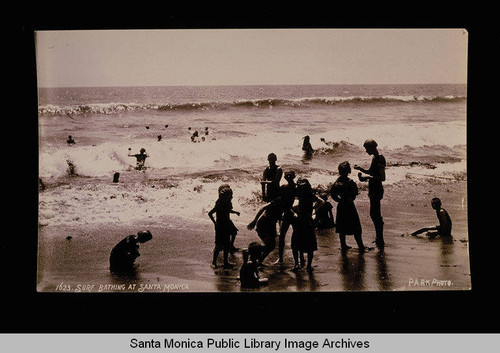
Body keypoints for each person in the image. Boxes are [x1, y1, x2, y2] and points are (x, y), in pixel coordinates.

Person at [354, 139, 386, 249]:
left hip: (377, 189)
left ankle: (380, 239)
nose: (366, 151)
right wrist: (361, 170)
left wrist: (367, 178)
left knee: (375, 215)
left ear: (373, 147)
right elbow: (372, 173)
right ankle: (379, 238)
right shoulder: (375, 158)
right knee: (375, 214)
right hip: (374, 189)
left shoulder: (380, 158)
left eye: (367, 148)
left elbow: (382, 178)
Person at [331, 161, 367, 253]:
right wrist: (350, 199)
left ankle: (343, 245)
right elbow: (355, 193)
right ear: (348, 171)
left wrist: (339, 200)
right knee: (355, 227)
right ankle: (360, 245)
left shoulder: (336, 182)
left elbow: (333, 194)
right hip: (349, 205)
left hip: (341, 205)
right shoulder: (350, 182)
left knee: (341, 227)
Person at [290, 178, 324, 271]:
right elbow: (322, 202)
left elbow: (293, 207)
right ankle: (309, 265)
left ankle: (297, 264)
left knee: (296, 243)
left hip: (299, 220)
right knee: (310, 245)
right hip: (308, 220)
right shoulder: (311, 196)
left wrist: (295, 213)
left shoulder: (298, 196)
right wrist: (314, 209)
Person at [208, 184, 240, 269]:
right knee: (218, 245)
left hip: (227, 224)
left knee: (226, 245)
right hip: (220, 226)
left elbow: (228, 211)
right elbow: (210, 213)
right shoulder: (219, 204)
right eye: (230, 196)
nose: (232, 197)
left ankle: (226, 262)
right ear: (224, 197)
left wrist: (235, 212)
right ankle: (214, 262)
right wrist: (215, 223)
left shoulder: (228, 203)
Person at [247, 197, 283, 266]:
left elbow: (280, 219)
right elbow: (262, 208)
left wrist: (280, 229)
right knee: (270, 245)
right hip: (263, 224)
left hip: (271, 225)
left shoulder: (284, 204)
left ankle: (258, 260)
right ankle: (251, 254)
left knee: (271, 246)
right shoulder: (277, 201)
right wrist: (255, 220)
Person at [278, 170, 297, 264]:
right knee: (282, 236)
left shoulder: (287, 187)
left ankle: (281, 258)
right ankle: (281, 258)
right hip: (289, 212)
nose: (288, 177)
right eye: (287, 176)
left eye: (290, 175)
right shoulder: (295, 187)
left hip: (289, 213)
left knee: (284, 236)